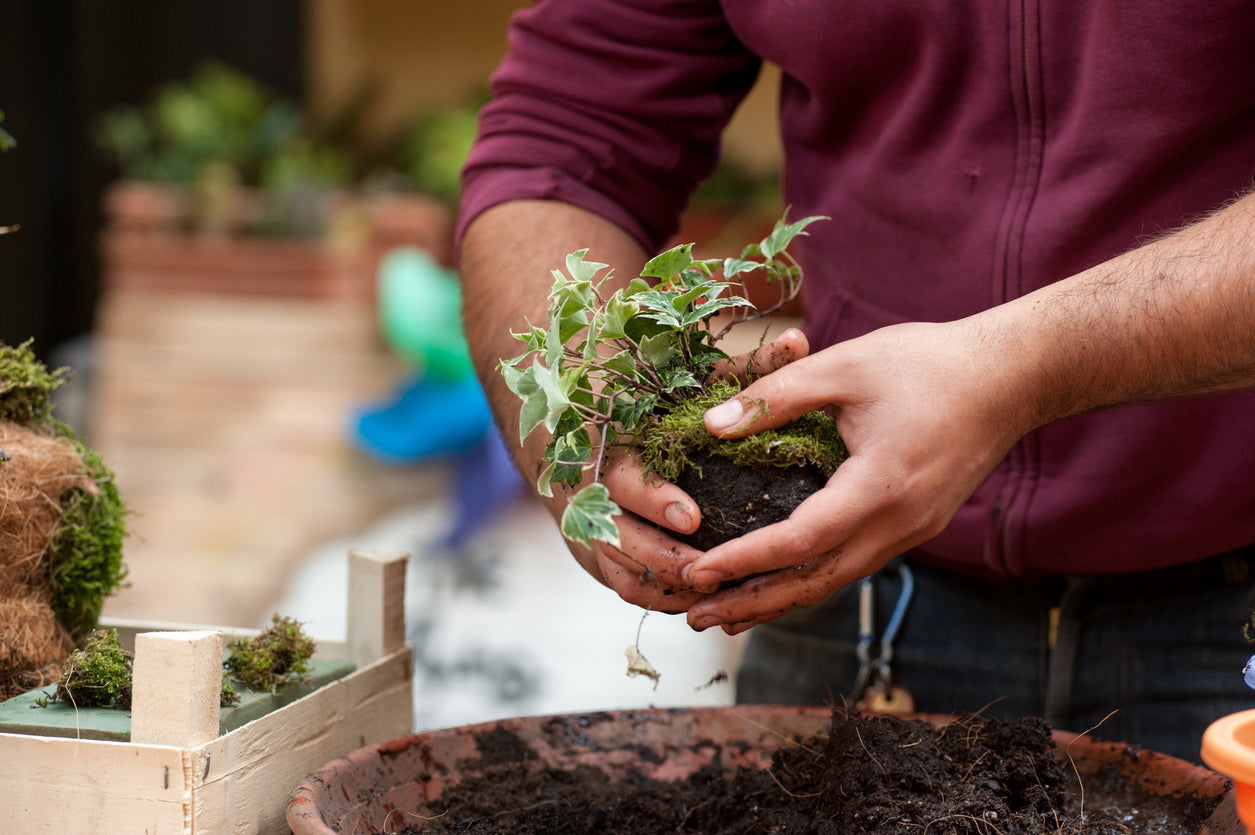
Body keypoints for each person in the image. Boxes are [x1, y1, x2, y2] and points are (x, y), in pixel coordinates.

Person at [455, 1, 1255, 763]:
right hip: (850, 593)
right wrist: (583, 414)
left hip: (1230, 607)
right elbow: (561, 143)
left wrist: (1018, 365)